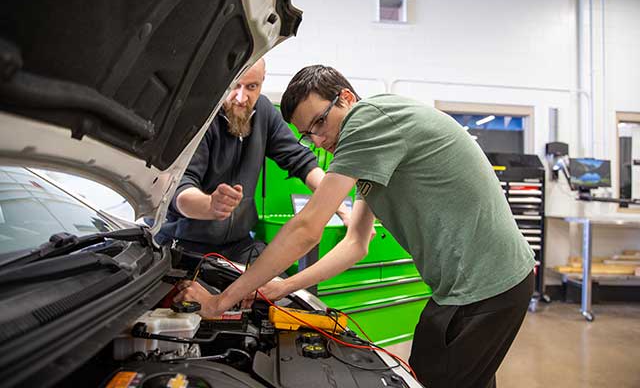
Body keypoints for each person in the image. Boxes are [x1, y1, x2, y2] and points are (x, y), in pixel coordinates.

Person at [174, 65, 535, 388]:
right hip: (472, 287)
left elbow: (307, 228)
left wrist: (222, 301)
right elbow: (356, 244)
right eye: (306, 134)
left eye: (319, 122)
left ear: (346, 98)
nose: (318, 141)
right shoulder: (374, 150)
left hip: (487, 287)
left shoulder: (368, 120)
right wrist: (284, 285)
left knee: (425, 377)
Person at [159, 59, 349, 264]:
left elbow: (301, 161)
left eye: (252, 87)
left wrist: (342, 209)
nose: (242, 98)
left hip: (238, 244)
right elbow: (178, 188)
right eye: (235, 86)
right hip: (184, 244)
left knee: (273, 290)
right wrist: (209, 206)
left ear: (262, 82)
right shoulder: (198, 116)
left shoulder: (264, 111)